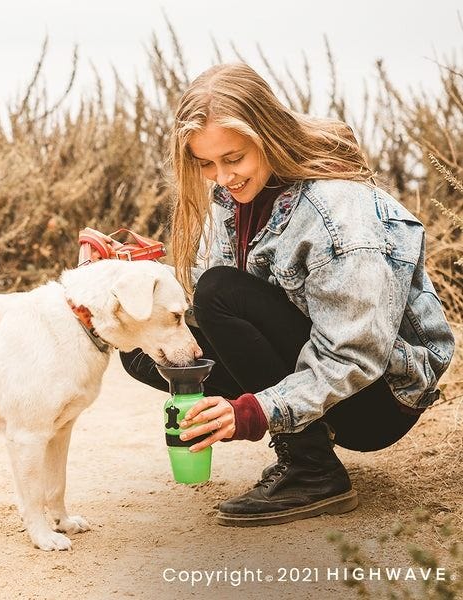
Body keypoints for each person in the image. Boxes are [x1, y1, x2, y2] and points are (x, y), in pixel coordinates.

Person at [119, 63, 456, 527]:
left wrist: (255, 410)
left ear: (267, 134)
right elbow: (236, 294)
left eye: (233, 158)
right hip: (321, 364)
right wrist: (139, 282)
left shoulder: (340, 213)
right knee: (146, 352)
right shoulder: (237, 193)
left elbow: (356, 354)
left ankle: (311, 468)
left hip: (378, 397)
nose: (222, 177)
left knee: (220, 291)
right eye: (206, 164)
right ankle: (304, 444)